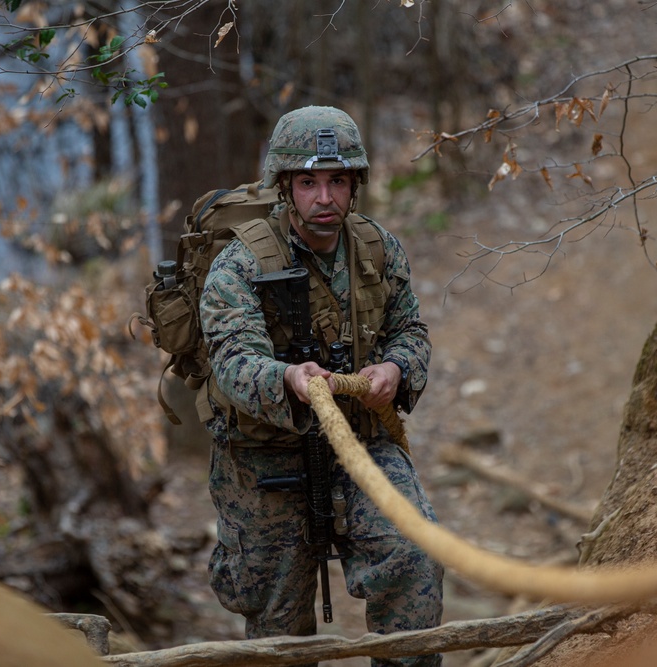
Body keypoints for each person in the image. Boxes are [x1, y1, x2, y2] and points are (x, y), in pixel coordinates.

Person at [199, 105, 444, 667]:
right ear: (285, 187)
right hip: (264, 458)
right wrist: (285, 377)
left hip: (358, 444)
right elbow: (232, 361)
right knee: (277, 627)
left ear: (355, 185)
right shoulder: (239, 264)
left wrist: (397, 369)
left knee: (415, 554)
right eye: (309, 182)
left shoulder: (378, 250)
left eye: (337, 181)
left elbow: (410, 329)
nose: (325, 198)